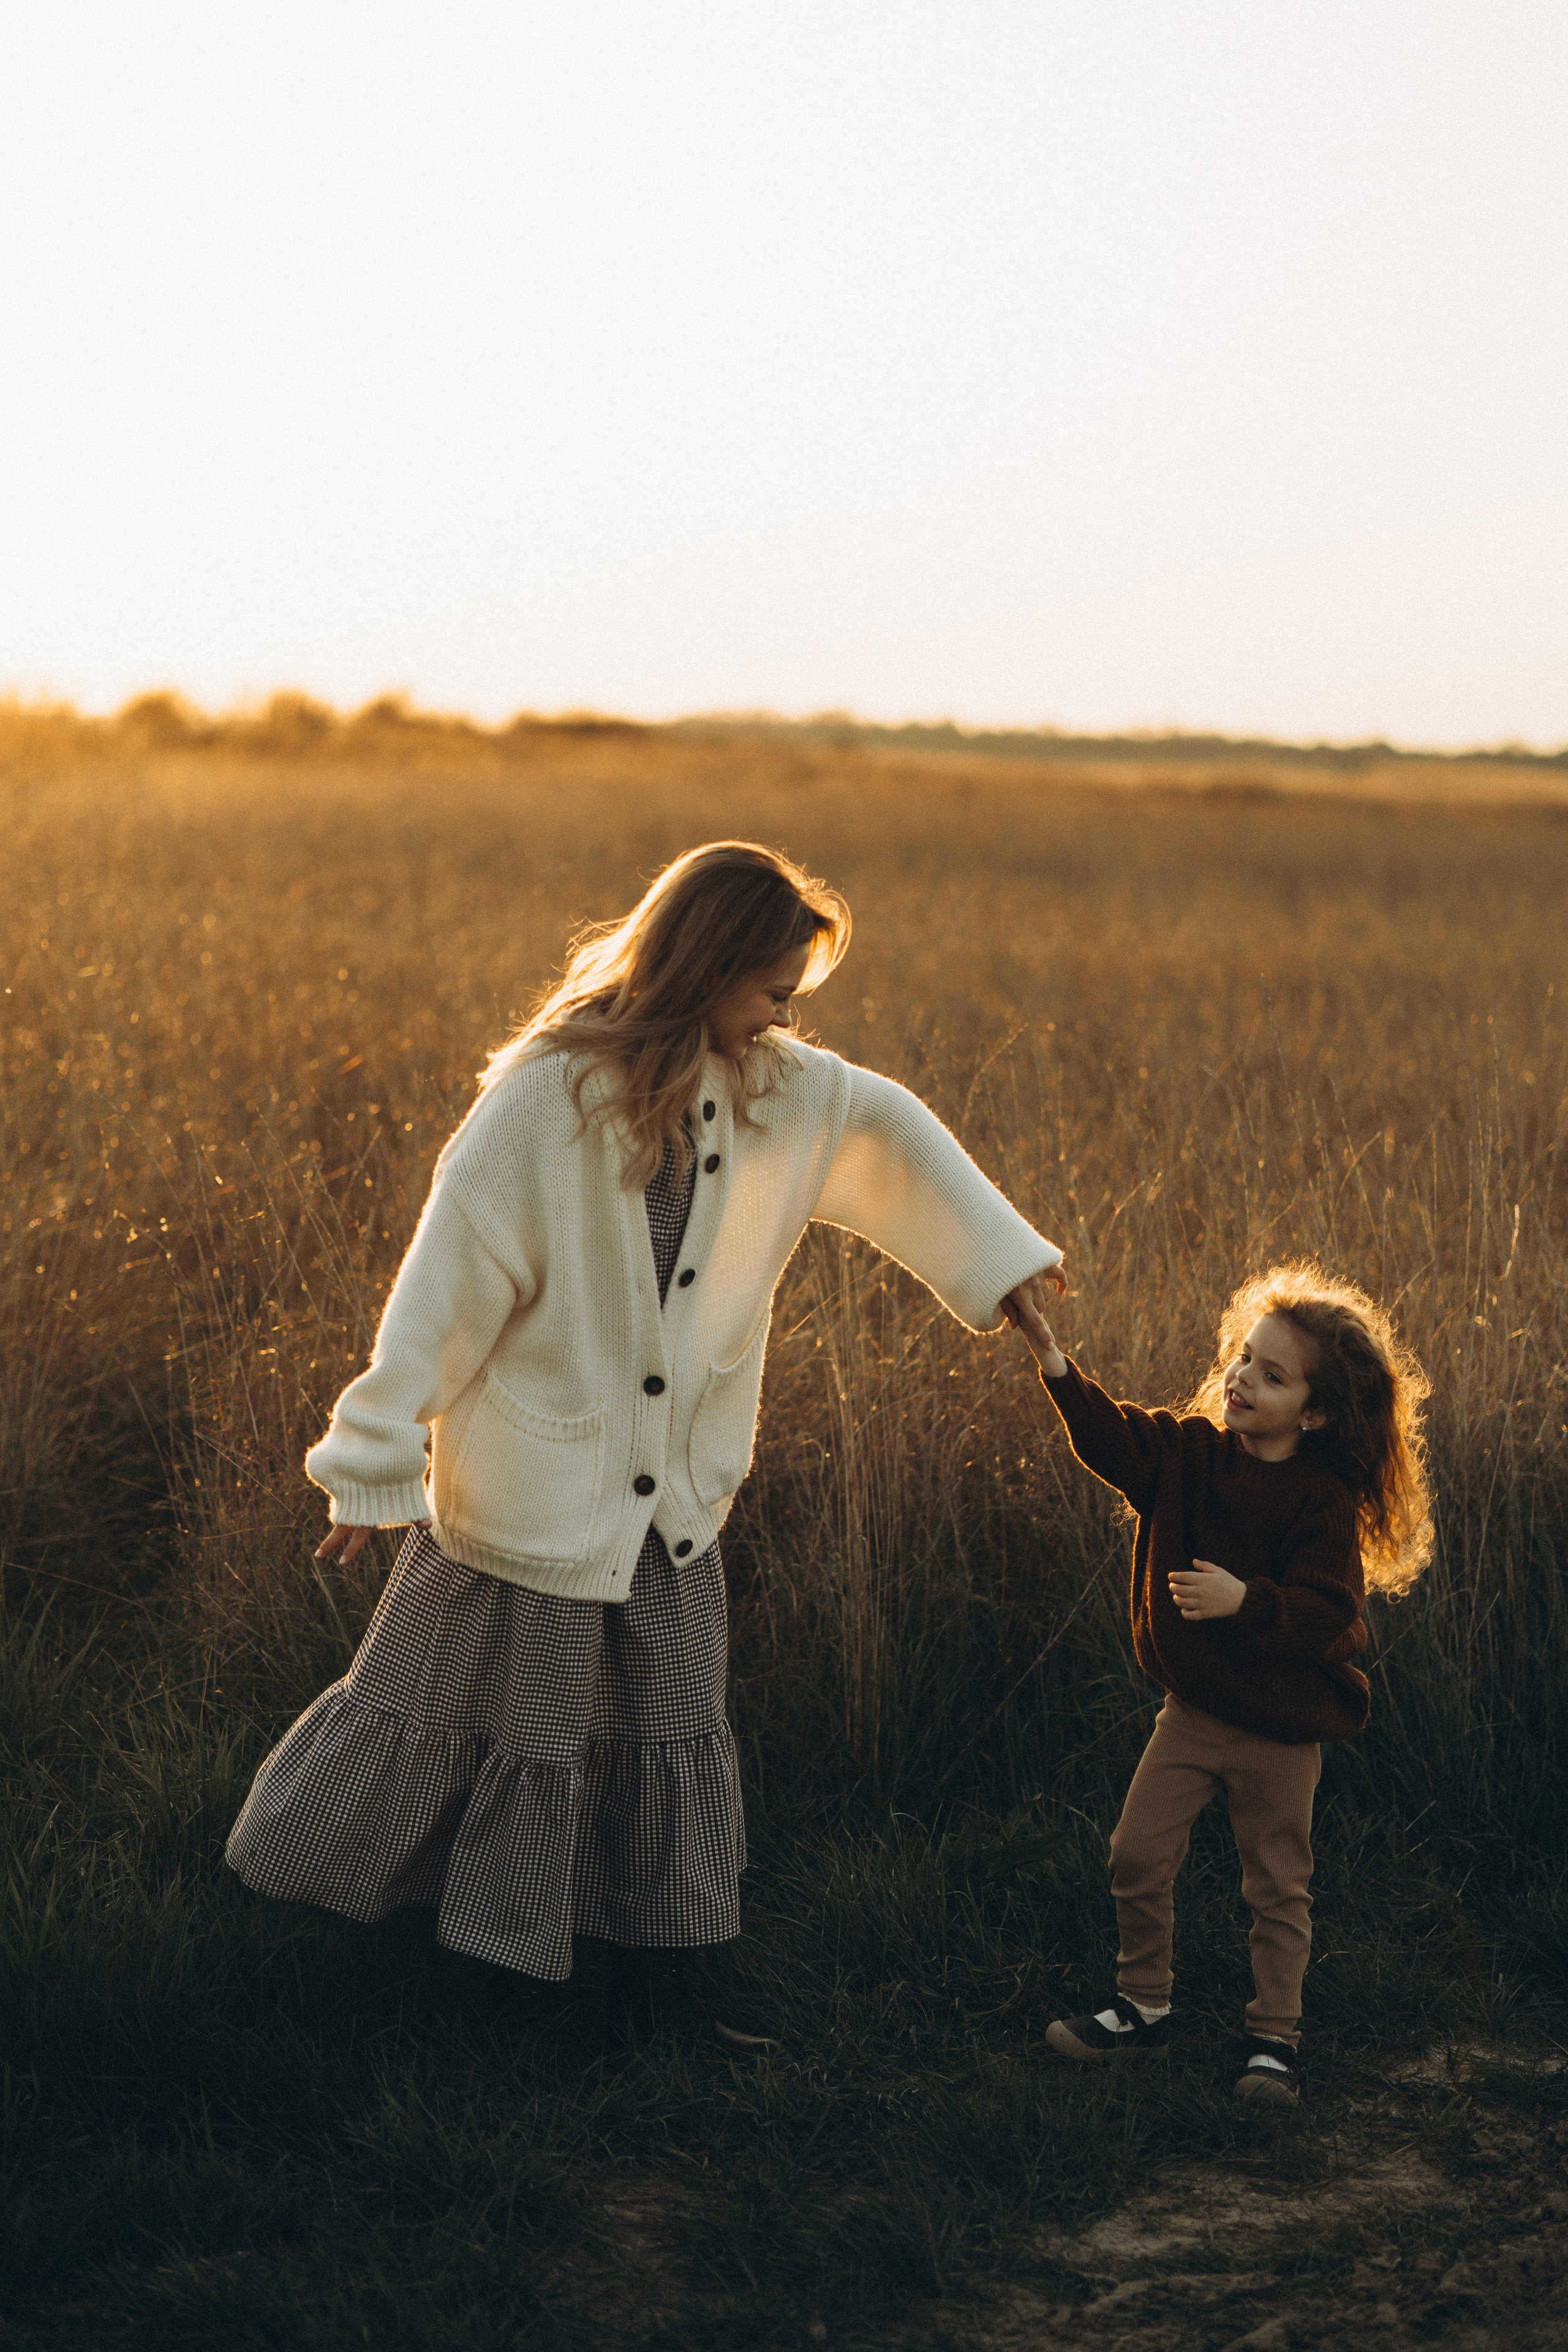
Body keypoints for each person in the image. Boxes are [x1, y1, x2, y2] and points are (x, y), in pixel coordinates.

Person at [227, 840, 1065, 2049]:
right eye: (773, 988)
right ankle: (486, 1983)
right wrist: (372, 1454)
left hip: (672, 1503)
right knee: (504, 1728)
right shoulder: (544, 1098)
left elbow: (886, 1130)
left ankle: (666, 1991)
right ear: (709, 964)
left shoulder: (777, 1089)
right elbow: (447, 1282)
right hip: (528, 1497)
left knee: (668, 1727)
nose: (787, 1014)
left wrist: (1001, 1270)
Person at [1011, 1262, 1431, 2104]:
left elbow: (1328, 1610)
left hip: (1282, 1730)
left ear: (1313, 1413)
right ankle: (1143, 2006)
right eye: (1245, 1358)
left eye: (1271, 1376)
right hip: (1193, 1716)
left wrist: (1247, 1602)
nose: (1241, 1378)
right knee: (1135, 1853)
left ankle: (1273, 2039)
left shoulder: (1321, 1500)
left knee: (1277, 1885)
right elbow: (1112, 1438)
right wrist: (1051, 1354)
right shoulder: (1189, 1456)